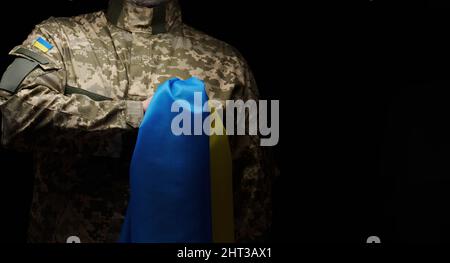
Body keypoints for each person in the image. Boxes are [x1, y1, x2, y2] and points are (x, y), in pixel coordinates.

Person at [0, 0, 275, 242]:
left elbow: (253, 191)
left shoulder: (227, 66)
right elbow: (17, 114)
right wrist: (139, 116)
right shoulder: (60, 39)